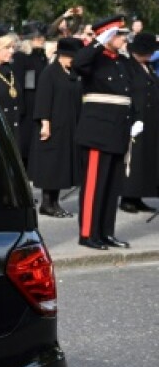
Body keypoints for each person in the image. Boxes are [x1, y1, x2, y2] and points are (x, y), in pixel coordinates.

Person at [72, 15, 136, 250]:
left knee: (111, 187)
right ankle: (88, 233)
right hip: (97, 131)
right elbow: (78, 63)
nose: (123, 39)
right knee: (94, 186)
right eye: (118, 35)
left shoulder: (122, 61)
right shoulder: (94, 59)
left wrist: (136, 119)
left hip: (119, 129)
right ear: (107, 36)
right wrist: (98, 42)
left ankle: (106, 232)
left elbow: (131, 93)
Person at [29, 37, 83, 217]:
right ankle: (47, 203)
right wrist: (45, 123)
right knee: (51, 165)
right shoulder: (50, 73)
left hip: (68, 125)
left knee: (61, 165)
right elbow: (43, 99)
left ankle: (55, 202)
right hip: (53, 124)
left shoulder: (72, 73)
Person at [119, 31, 159, 214]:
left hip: (150, 118)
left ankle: (139, 196)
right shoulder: (128, 66)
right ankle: (128, 197)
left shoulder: (147, 66)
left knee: (146, 158)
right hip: (135, 117)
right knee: (134, 159)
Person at [13, 22, 49, 166]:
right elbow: (19, 83)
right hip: (26, 103)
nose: (41, 40)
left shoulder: (41, 56)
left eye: (42, 37)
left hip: (38, 101)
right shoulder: (21, 57)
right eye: (37, 37)